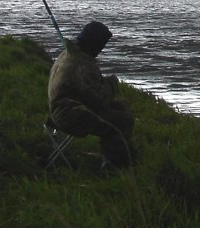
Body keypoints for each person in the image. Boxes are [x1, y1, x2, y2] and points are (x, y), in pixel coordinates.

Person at [47, 20, 134, 169]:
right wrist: (112, 83)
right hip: (70, 115)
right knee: (122, 121)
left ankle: (115, 155)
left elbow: (88, 92)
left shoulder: (67, 54)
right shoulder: (83, 65)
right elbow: (99, 99)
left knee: (120, 107)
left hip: (59, 109)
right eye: (101, 45)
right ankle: (113, 164)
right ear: (94, 44)